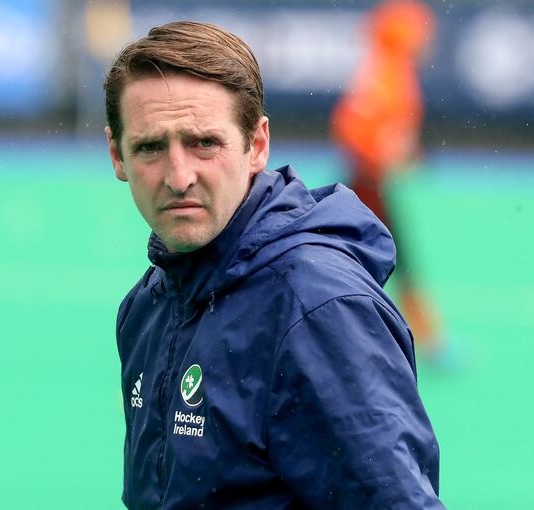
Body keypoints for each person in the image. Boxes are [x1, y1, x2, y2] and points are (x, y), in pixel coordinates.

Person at [104, 21, 443, 508]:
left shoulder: (317, 310)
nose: (179, 177)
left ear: (257, 145)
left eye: (204, 143)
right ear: (117, 154)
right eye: (151, 147)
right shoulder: (148, 305)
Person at [330, 0, 446, 361]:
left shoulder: (392, 69)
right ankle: (426, 338)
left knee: (367, 254)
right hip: (367, 182)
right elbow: (354, 127)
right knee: (386, 255)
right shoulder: (386, 73)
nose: (426, 39)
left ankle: (425, 336)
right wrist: (385, 155)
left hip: (367, 180)